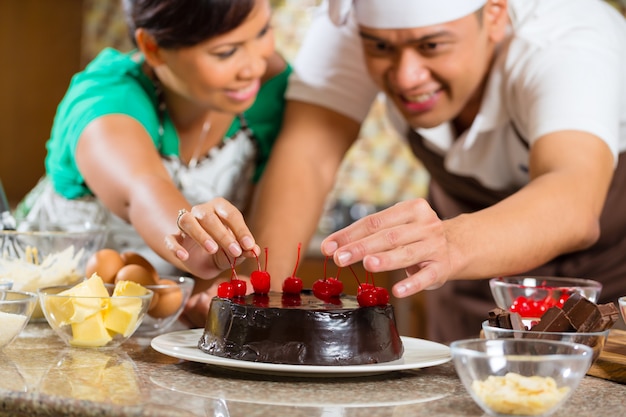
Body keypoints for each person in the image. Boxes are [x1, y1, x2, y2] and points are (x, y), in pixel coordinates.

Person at [169, 0, 626, 342]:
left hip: (611, 266)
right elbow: (308, 156)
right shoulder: (355, 21)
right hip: (472, 282)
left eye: (432, 46)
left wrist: (450, 241)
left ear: (493, 14)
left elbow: (572, 197)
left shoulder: (568, 42)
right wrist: (258, 286)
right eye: (382, 48)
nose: (407, 77)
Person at [16, 0, 291, 285]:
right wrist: (192, 241)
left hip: (156, 317)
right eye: (226, 52)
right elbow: (142, 190)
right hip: (36, 307)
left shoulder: (273, 90)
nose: (255, 65)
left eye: (262, 32)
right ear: (152, 48)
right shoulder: (108, 98)